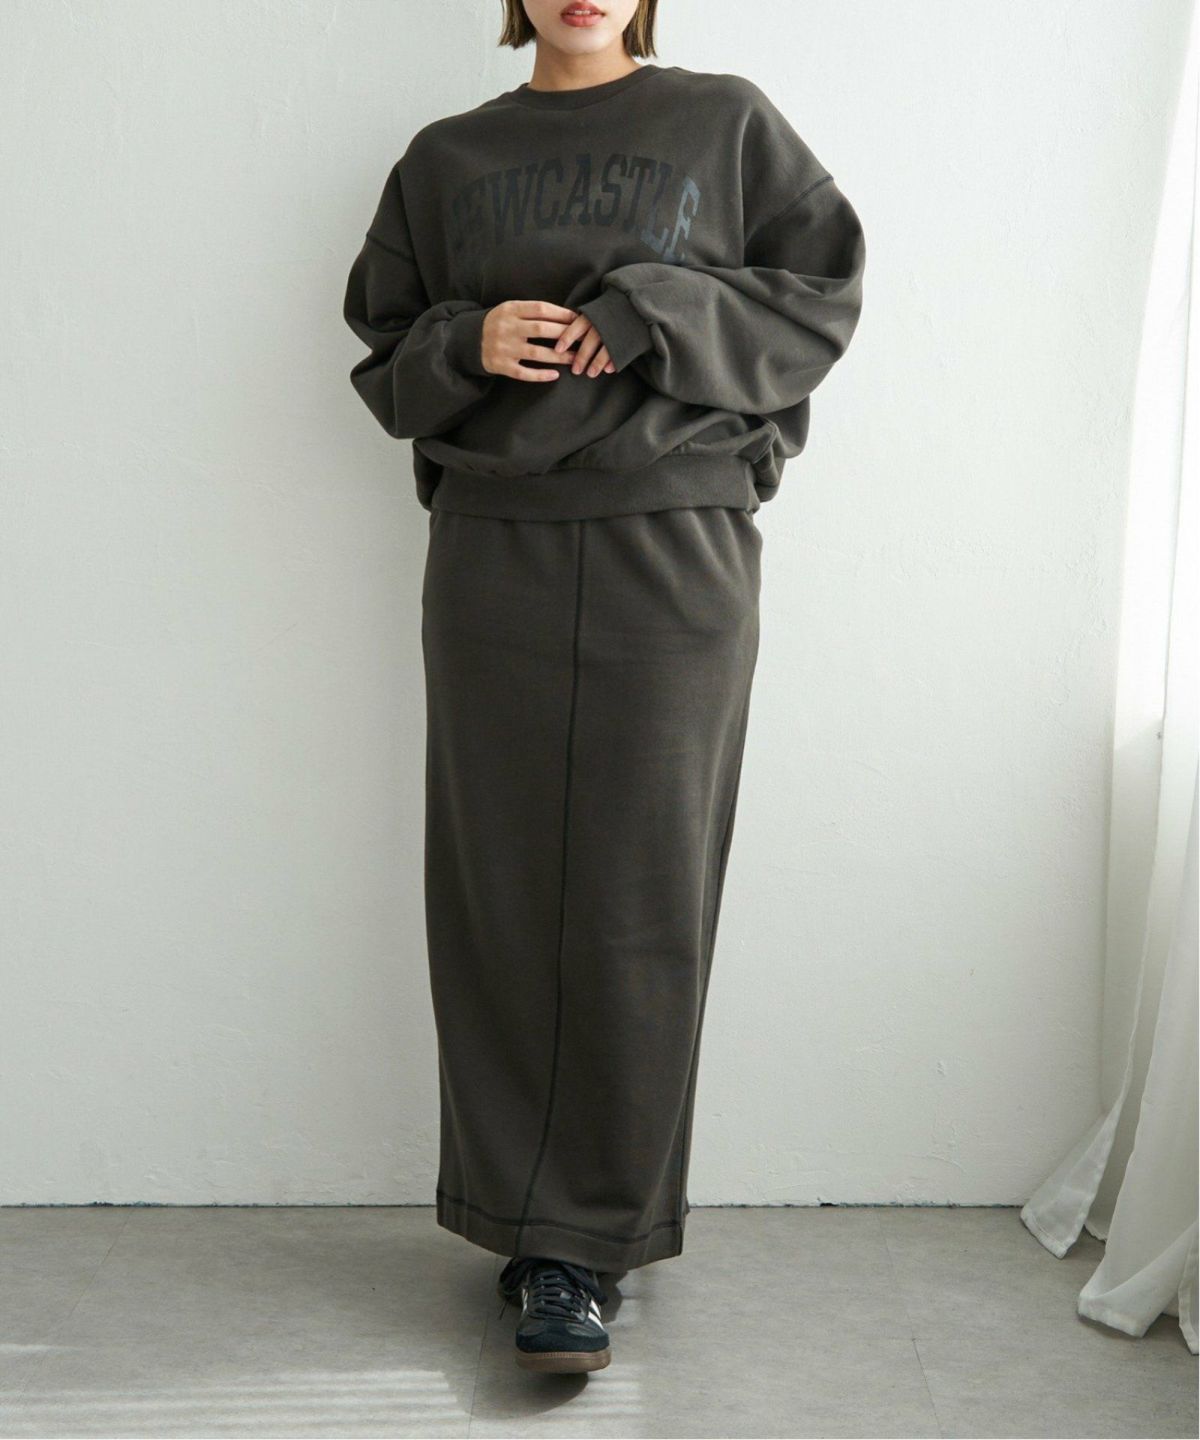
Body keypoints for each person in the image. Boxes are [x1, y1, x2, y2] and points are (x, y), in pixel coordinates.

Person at [342, 0, 866, 1376]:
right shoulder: (446, 159)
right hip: (495, 549)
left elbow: (821, 300)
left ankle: (593, 1242)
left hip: (675, 540)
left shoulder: (726, 121)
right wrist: (468, 344)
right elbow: (384, 362)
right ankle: (534, 1238)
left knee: (643, 893)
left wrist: (649, 310)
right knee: (500, 890)